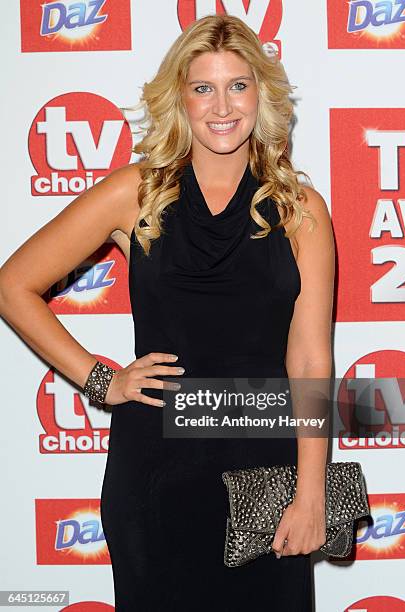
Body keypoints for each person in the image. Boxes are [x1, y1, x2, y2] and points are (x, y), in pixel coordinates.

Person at [0, 14, 334, 612]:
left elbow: (309, 356)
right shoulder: (138, 193)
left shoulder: (300, 208)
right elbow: (13, 286)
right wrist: (103, 379)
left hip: (264, 465)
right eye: (203, 87)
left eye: (238, 84)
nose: (222, 105)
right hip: (155, 469)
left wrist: (310, 493)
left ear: (263, 94)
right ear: (179, 98)